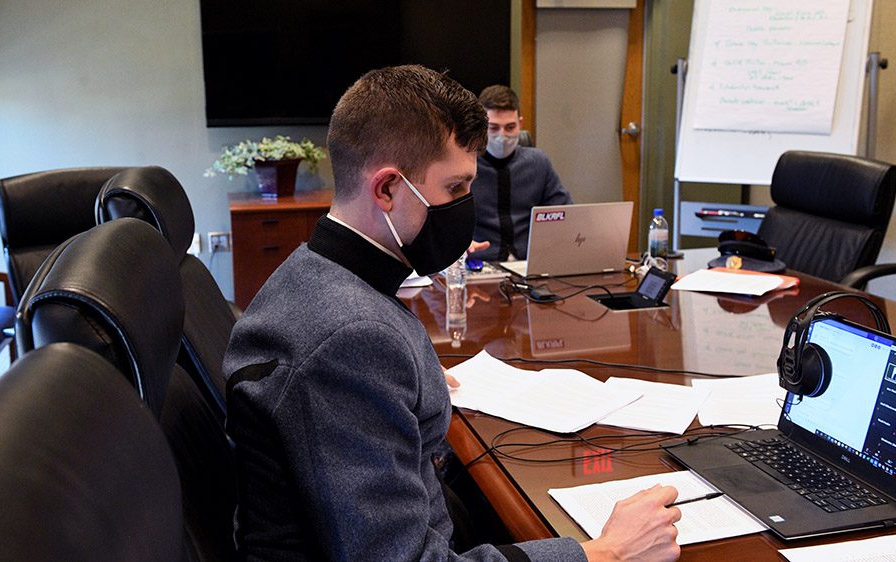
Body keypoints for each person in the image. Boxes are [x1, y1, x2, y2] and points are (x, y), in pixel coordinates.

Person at [224, 64, 681, 561]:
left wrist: (408, 381)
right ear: (387, 190)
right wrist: (604, 555)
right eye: (456, 189)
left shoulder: (319, 272)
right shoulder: (351, 338)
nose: (466, 205)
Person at [469, 85, 572, 262]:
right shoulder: (465, 166)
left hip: (530, 262)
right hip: (480, 262)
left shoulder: (539, 163)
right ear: (481, 127)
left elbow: (564, 213)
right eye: (493, 128)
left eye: (510, 127)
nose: (502, 136)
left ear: (520, 124)